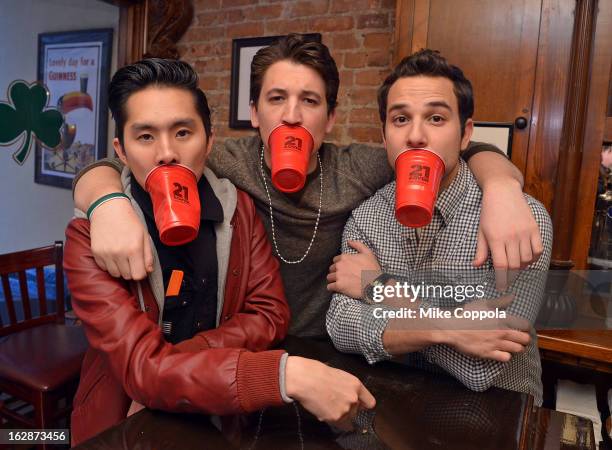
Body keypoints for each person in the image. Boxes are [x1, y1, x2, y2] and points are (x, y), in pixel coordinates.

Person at [71, 34, 543, 338]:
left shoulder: (362, 169)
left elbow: (445, 150)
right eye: (277, 99)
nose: (292, 115)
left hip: (339, 345)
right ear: (255, 113)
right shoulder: (216, 158)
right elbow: (128, 159)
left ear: (330, 118)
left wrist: (501, 188)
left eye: (310, 101)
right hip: (249, 346)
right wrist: (106, 201)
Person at [64, 58, 374, 446]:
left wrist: (180, 360)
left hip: (224, 414)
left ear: (209, 141)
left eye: (182, 132)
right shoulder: (90, 236)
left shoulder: (238, 209)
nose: (166, 154)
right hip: (121, 423)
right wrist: (282, 375)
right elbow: (141, 369)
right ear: (120, 151)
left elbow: (270, 313)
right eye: (145, 137)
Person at [325, 49, 552, 404]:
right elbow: (341, 326)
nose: (416, 136)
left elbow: (481, 368)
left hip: (497, 414)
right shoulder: (367, 215)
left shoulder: (519, 219)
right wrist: (450, 328)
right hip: (395, 403)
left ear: (466, 135)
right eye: (400, 120)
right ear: (385, 137)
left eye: (435, 118)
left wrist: (380, 289)